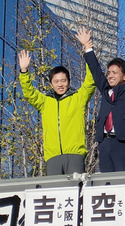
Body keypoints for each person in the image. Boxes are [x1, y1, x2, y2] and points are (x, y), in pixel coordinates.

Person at [75, 17, 125, 173]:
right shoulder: (105, 89)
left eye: (115, 73)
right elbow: (95, 70)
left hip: (123, 141)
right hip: (105, 143)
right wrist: (87, 47)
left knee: (123, 182)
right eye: (109, 73)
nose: (110, 76)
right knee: (106, 183)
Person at [18, 44, 96, 175]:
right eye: (56, 81)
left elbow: (90, 80)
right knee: (54, 192)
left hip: (75, 155)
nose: (60, 84)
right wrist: (24, 71)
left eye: (63, 81)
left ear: (69, 82)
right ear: (51, 84)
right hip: (52, 157)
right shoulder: (45, 102)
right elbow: (29, 93)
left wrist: (88, 50)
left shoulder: (79, 98)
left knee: (75, 192)